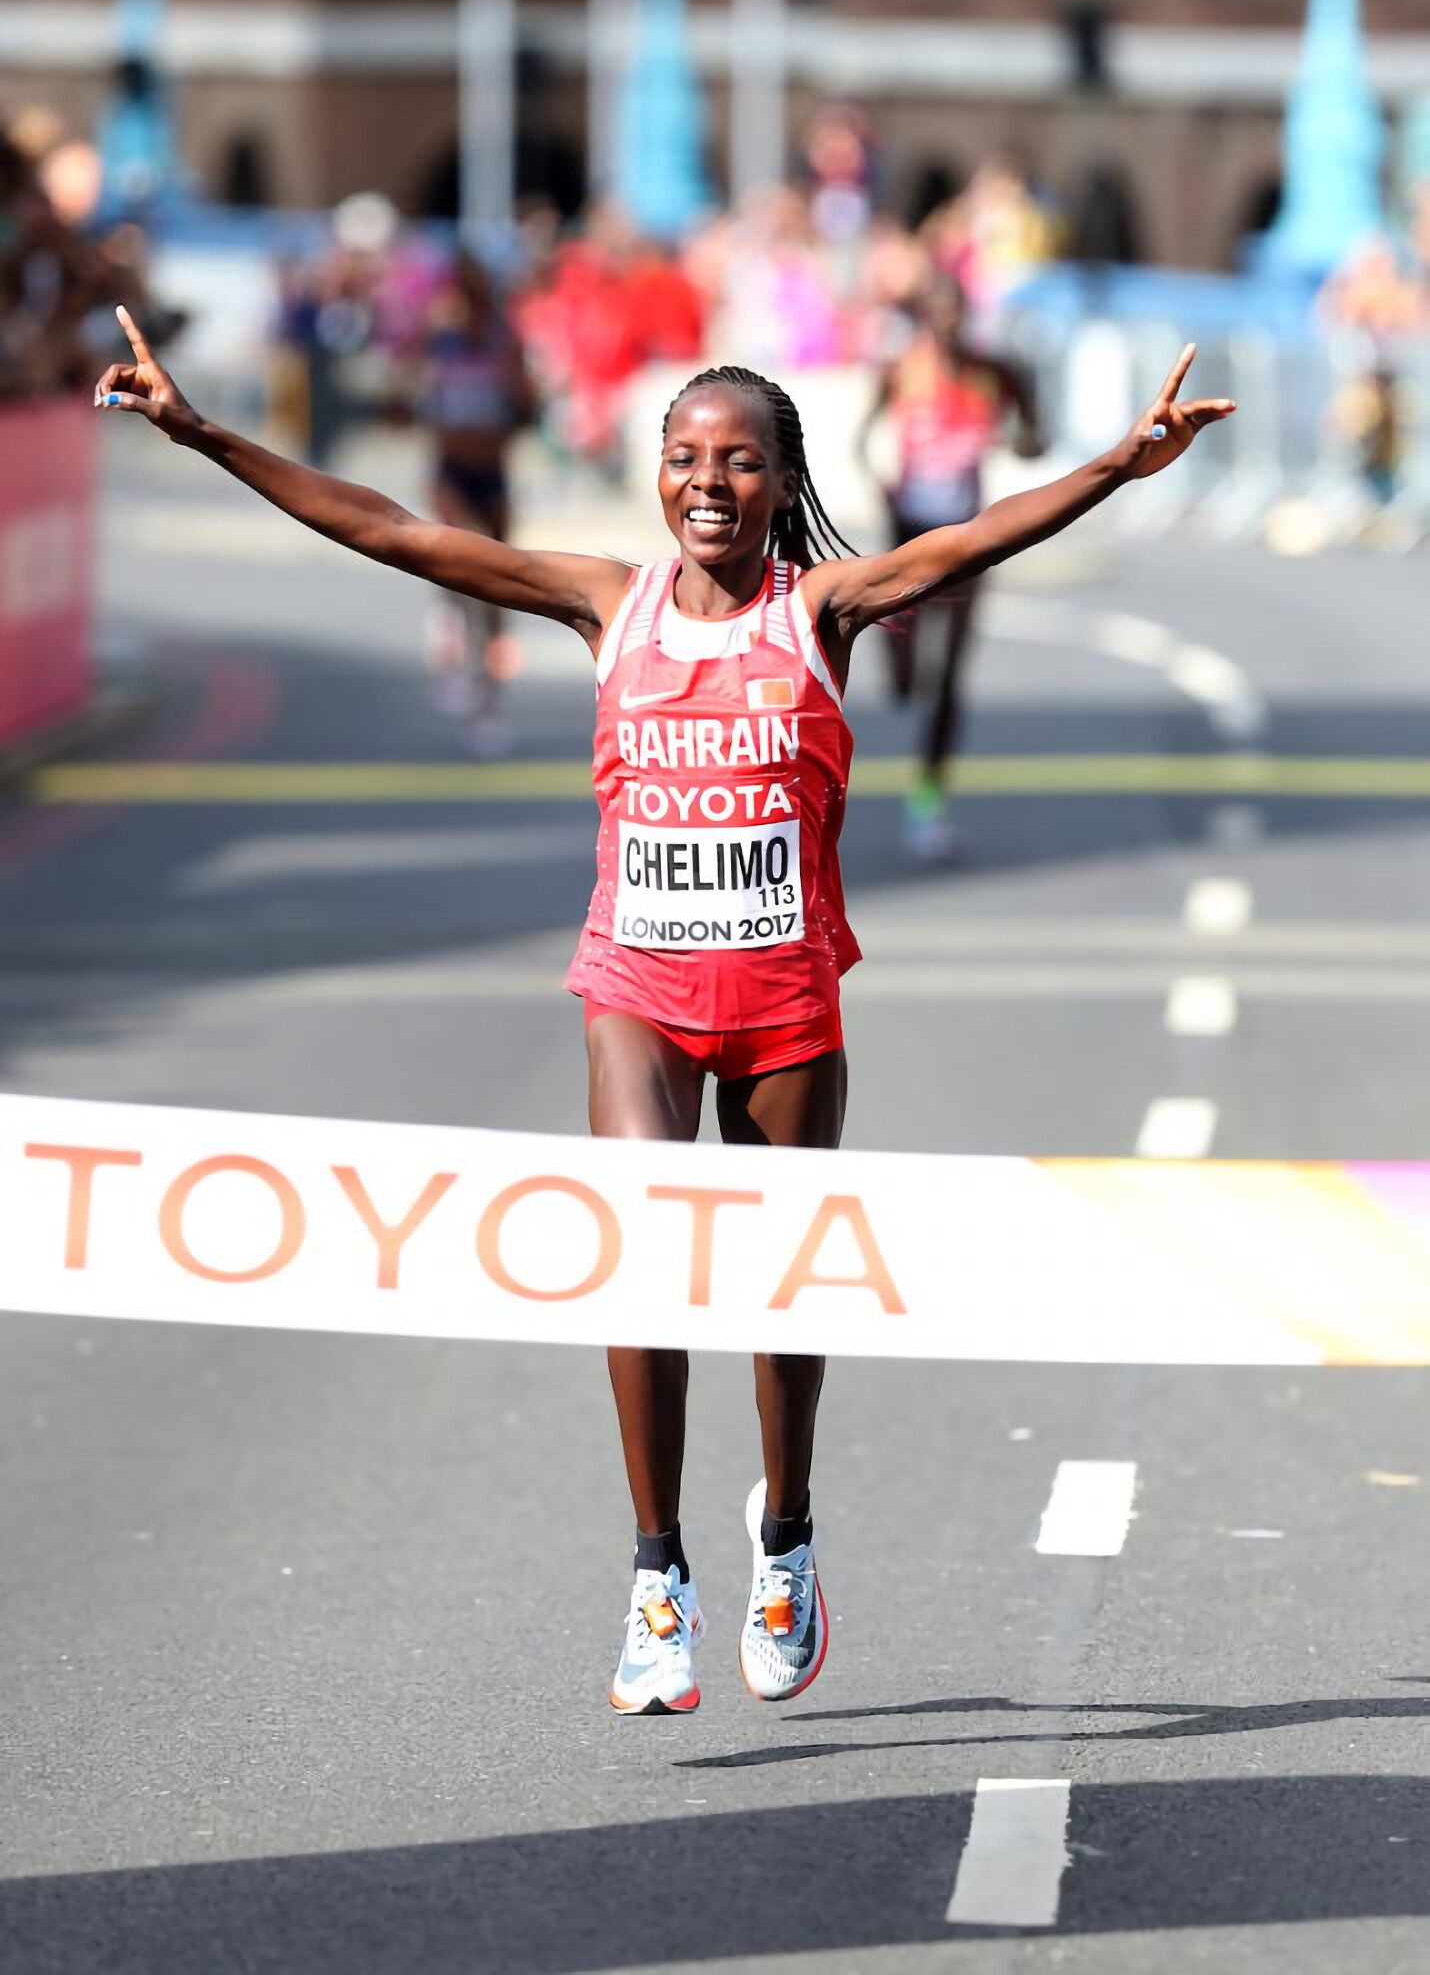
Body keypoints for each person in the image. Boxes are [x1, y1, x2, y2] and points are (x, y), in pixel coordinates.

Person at [98, 306, 1231, 1716]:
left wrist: (1121, 462)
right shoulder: (604, 603)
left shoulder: (818, 613)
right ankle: (655, 1575)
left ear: (780, 480)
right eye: (686, 456)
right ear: (656, 473)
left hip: (783, 1008)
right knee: (640, 1254)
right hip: (633, 988)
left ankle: (790, 1534)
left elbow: (971, 540)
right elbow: (395, 533)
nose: (710, 481)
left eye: (742, 461)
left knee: (774, 1286)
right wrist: (202, 430)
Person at [861, 272, 1043, 859]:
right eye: (935, 310)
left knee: (948, 684)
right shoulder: (901, 370)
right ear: (923, 317)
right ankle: (896, 659)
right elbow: (861, 441)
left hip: (967, 543)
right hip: (908, 536)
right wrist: (883, 488)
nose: (946, 321)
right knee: (906, 680)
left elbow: (1036, 436)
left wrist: (1020, 443)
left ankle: (927, 805)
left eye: (955, 310)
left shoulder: (995, 374)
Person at [417, 251, 536, 753]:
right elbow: (420, 400)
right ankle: (454, 644)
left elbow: (527, 404)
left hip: (492, 469)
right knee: (460, 560)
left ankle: (486, 690)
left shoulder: (504, 340)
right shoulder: (440, 337)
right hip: (453, 468)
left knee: (498, 580)